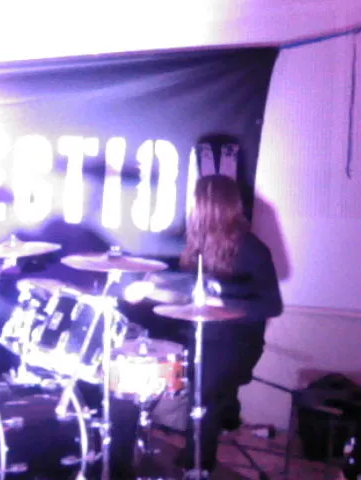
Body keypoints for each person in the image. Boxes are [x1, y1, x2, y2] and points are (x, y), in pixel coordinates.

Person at [125, 174, 283, 478]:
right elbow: (191, 286)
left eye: (195, 202)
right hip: (205, 336)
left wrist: (224, 303)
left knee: (204, 396)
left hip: (239, 343)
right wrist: (149, 286)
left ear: (210, 207)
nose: (191, 208)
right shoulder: (199, 244)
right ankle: (223, 420)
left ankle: (198, 466)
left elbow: (272, 305)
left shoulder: (252, 249)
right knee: (189, 380)